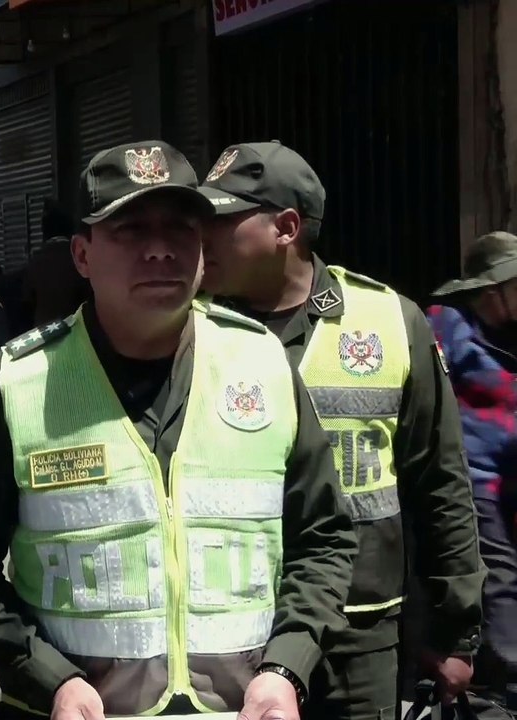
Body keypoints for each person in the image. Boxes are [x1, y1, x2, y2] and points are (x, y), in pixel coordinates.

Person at [0, 140, 356, 720]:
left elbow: (324, 538)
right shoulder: (23, 381)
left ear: (202, 249)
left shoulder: (260, 362)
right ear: (82, 255)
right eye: (131, 230)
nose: (160, 251)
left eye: (179, 229)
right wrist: (47, 677)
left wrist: (286, 668)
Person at [199, 141, 485, 719]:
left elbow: (440, 483)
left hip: (358, 634)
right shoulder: (189, 331)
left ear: (286, 227)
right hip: (228, 633)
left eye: (223, 220)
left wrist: (456, 632)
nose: (203, 237)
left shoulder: (388, 322)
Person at [425, 231, 517, 715]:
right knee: (500, 576)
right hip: (475, 481)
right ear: (489, 291)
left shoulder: (511, 332)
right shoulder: (447, 327)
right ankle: (504, 677)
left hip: (512, 481)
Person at [22, 201, 87, 329]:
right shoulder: (80, 258)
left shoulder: (35, 261)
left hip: (43, 336)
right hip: (76, 331)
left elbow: (27, 300)